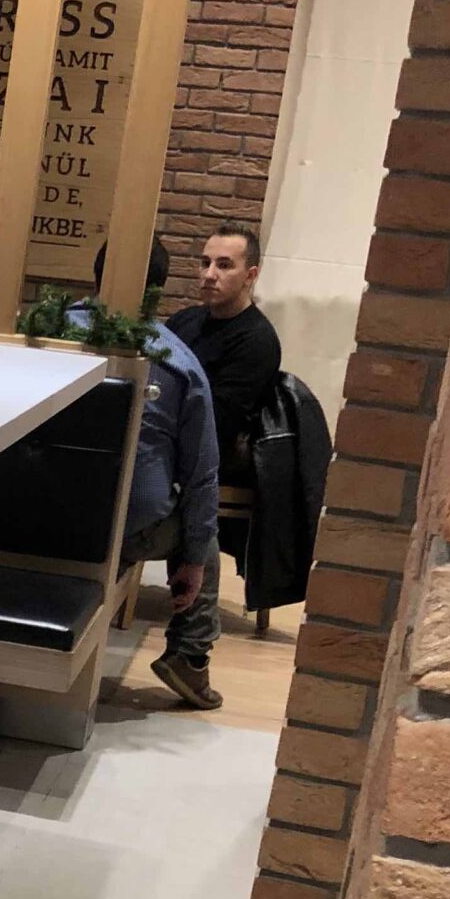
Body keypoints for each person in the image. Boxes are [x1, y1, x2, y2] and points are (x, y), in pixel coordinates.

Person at [86, 240, 223, 711]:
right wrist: (194, 559)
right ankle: (190, 654)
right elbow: (202, 475)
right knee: (202, 528)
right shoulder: (179, 364)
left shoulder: (44, 333)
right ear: (158, 290)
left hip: (35, 513)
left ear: (95, 275)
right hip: (126, 530)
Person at [165, 225, 280, 481]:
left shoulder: (257, 341)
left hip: (206, 459)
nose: (209, 274)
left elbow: (217, 422)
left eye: (224, 265)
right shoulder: (185, 320)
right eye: (205, 263)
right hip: (164, 436)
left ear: (250, 276)